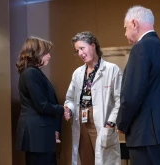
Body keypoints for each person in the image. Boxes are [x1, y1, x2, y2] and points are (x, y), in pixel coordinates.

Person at [116, 5, 160, 165]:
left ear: (134, 24)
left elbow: (131, 94)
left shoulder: (141, 47)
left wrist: (122, 123)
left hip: (145, 134)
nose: (125, 33)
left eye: (125, 28)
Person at [64, 31, 122, 165]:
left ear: (93, 45)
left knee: (103, 159)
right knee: (86, 160)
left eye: (82, 48)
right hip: (82, 121)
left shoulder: (112, 70)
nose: (80, 53)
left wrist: (111, 122)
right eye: (77, 50)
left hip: (101, 121)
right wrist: (69, 109)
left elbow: (120, 100)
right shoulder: (78, 73)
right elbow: (70, 99)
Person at [15, 36, 67, 165]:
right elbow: (42, 105)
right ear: (36, 53)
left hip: (40, 134)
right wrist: (63, 109)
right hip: (37, 135)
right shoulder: (31, 73)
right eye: (46, 53)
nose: (49, 56)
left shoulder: (32, 72)